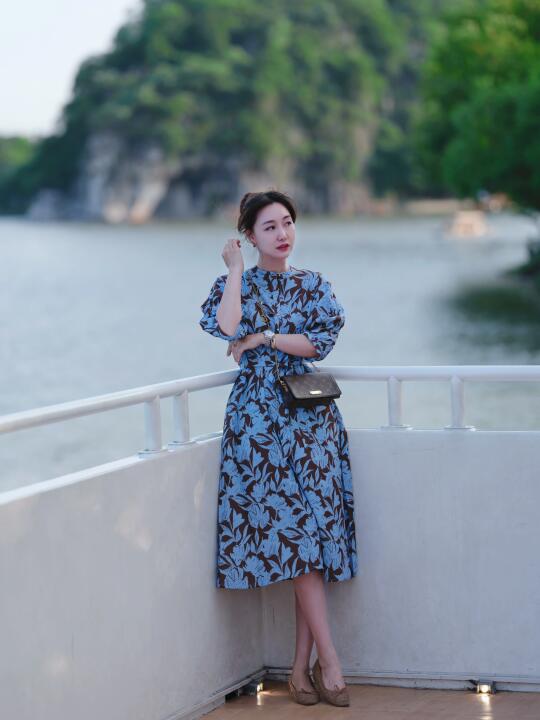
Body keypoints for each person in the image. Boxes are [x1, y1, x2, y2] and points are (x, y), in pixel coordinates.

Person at [199, 189, 358, 706]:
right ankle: (329, 663)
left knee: (311, 542)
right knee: (299, 542)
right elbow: (225, 326)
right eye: (269, 226)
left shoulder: (313, 284)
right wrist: (235, 271)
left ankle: (299, 669)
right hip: (258, 427)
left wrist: (265, 337)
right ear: (249, 235)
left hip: (310, 422)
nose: (283, 233)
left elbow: (318, 343)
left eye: (287, 222)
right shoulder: (235, 283)